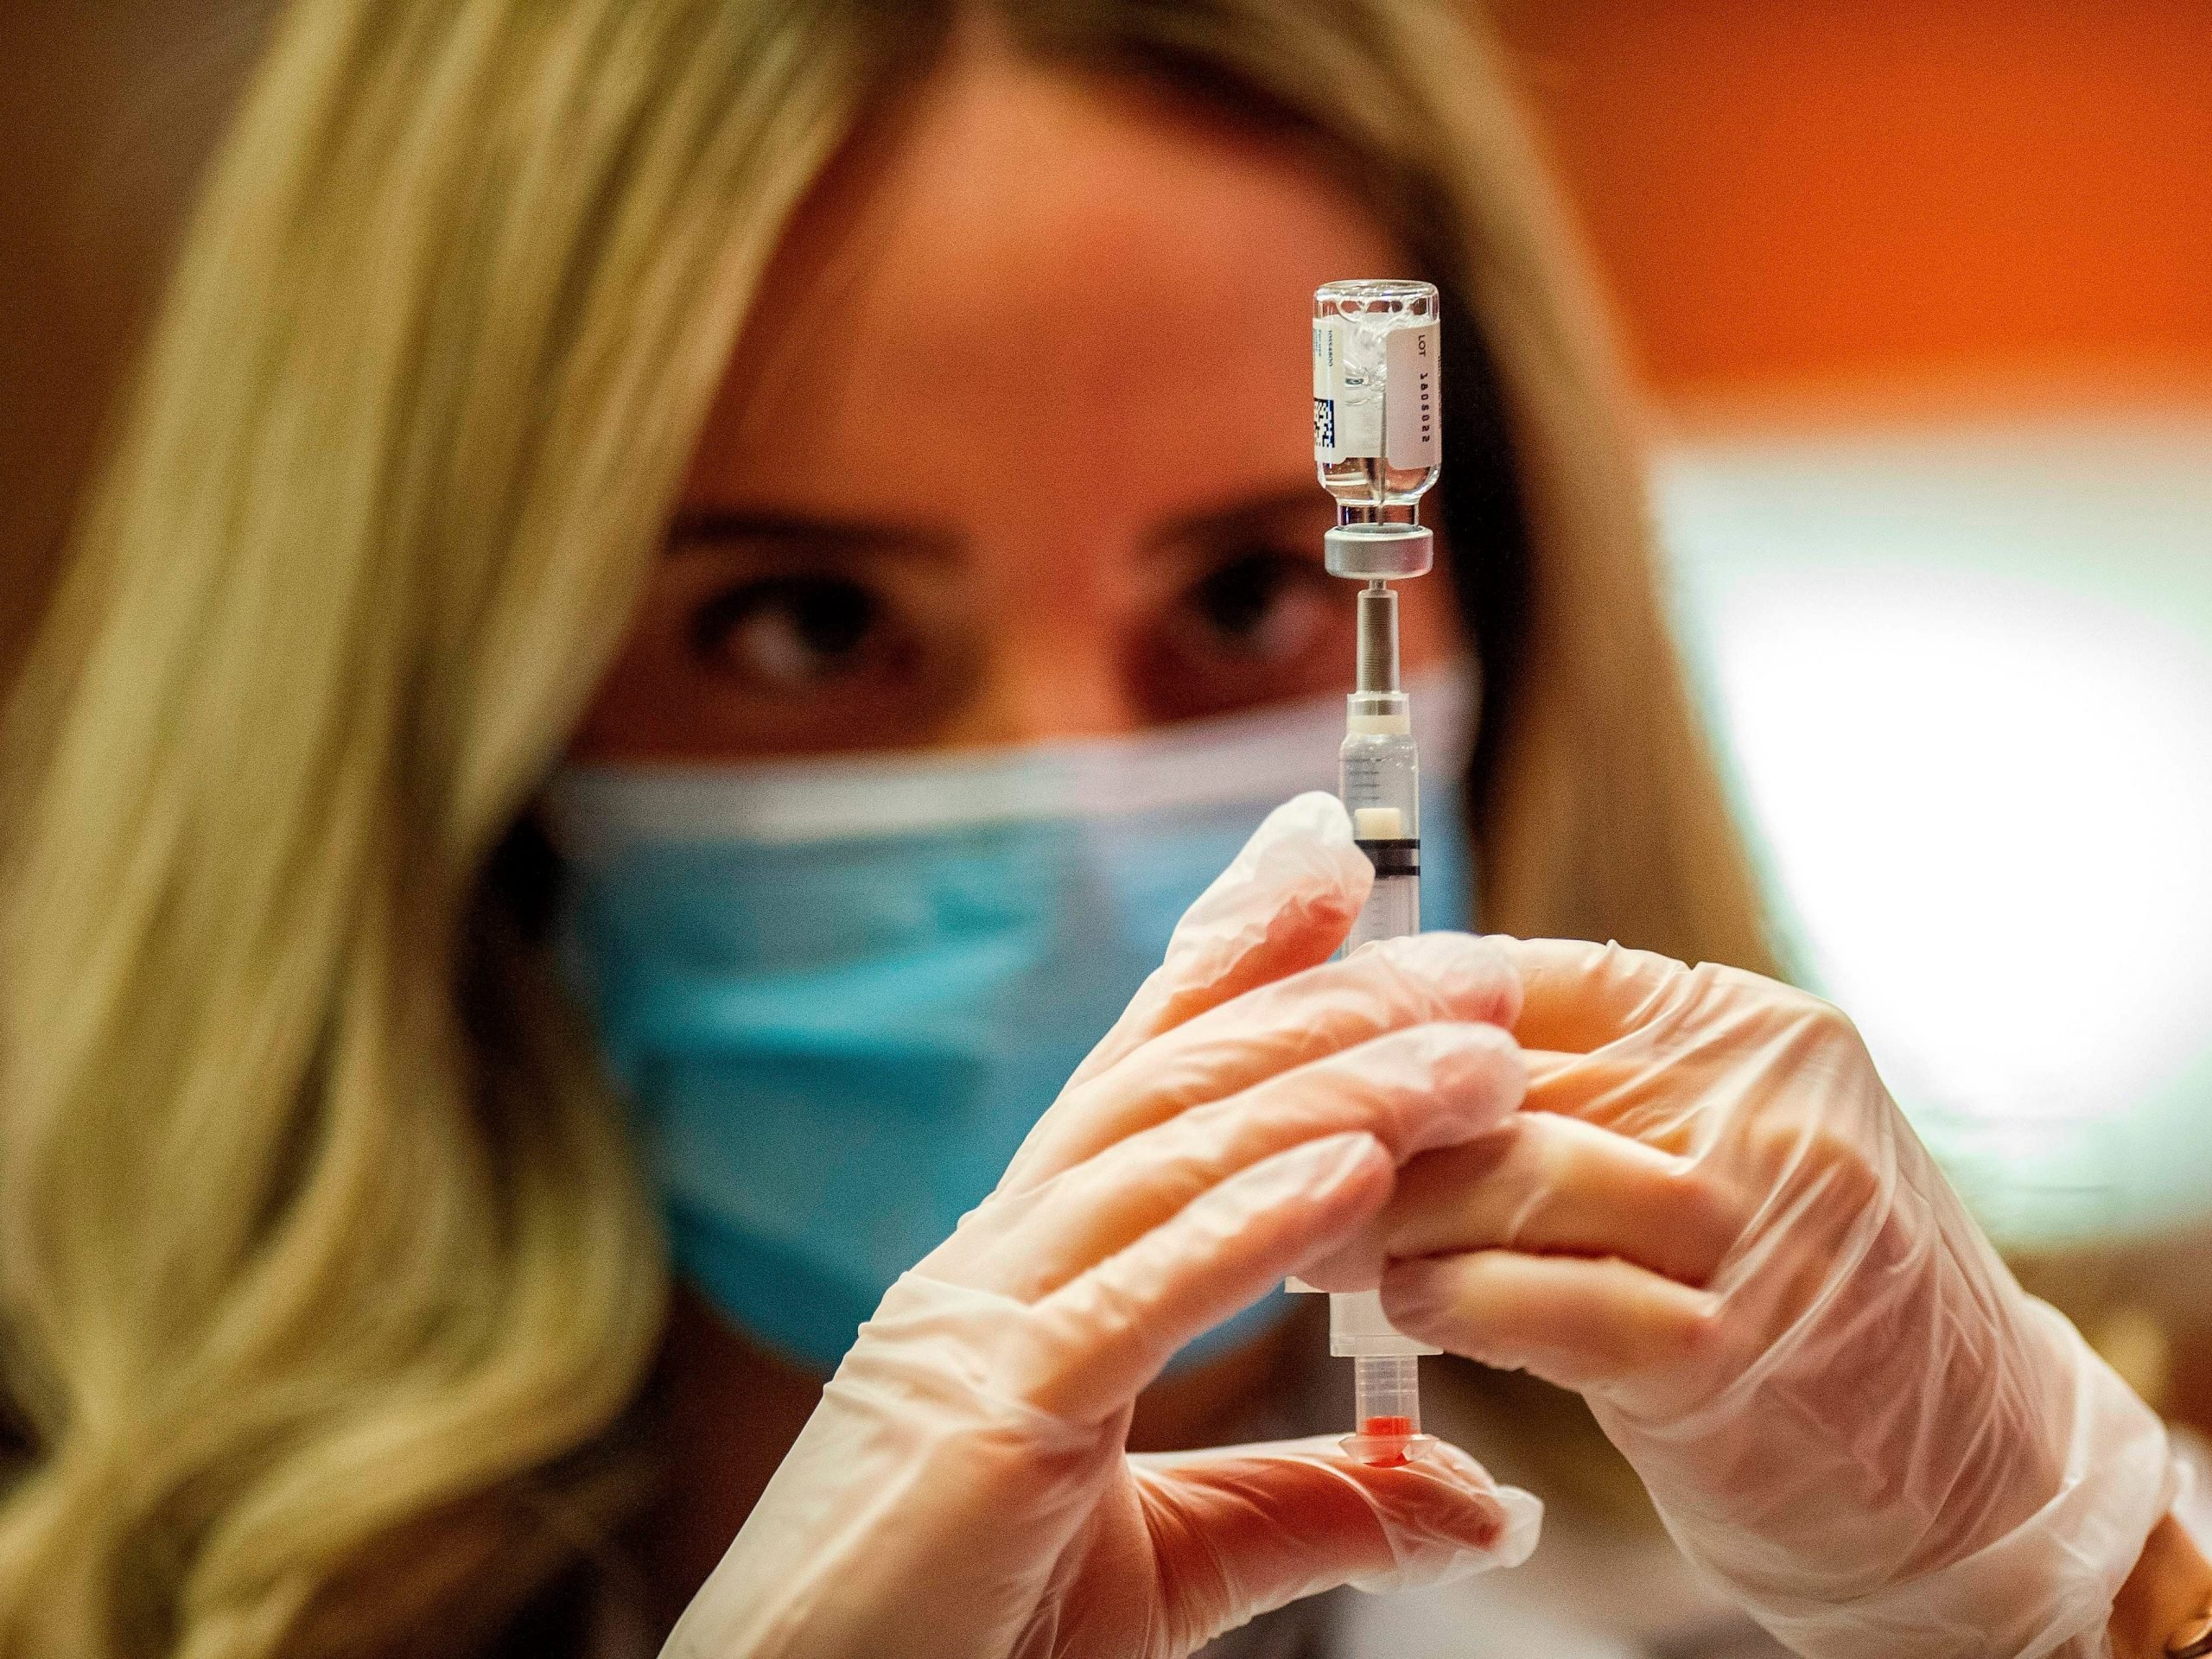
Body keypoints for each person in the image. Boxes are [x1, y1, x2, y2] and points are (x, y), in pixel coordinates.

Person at [0, 2, 2199, 1656]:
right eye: (803, 622)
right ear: (433, 751)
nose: (1079, 830)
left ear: (1511, 626)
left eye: (1247, 596)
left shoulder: (1924, 1571)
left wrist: (2078, 1589)